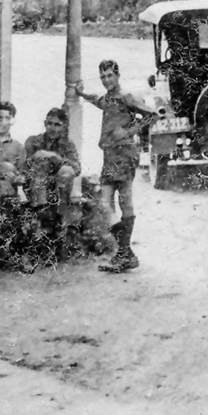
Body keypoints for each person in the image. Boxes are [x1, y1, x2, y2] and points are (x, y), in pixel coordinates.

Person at [77, 59, 160, 273]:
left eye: (110, 76)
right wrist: (82, 94)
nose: (106, 80)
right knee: (105, 204)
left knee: (123, 202)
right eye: (103, 77)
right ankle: (125, 253)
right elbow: (97, 100)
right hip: (110, 155)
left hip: (124, 154)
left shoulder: (126, 96)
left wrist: (130, 131)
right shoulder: (107, 98)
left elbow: (151, 115)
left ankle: (124, 254)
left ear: (117, 76)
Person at [21, 107, 83, 263]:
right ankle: (48, 232)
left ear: (63, 127)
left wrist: (54, 156)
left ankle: (57, 224)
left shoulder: (67, 144)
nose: (52, 128)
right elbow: (27, 163)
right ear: (44, 123)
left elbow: (76, 169)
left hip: (57, 189)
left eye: (57, 125)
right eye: (49, 124)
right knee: (40, 175)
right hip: (35, 187)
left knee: (66, 171)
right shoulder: (33, 140)